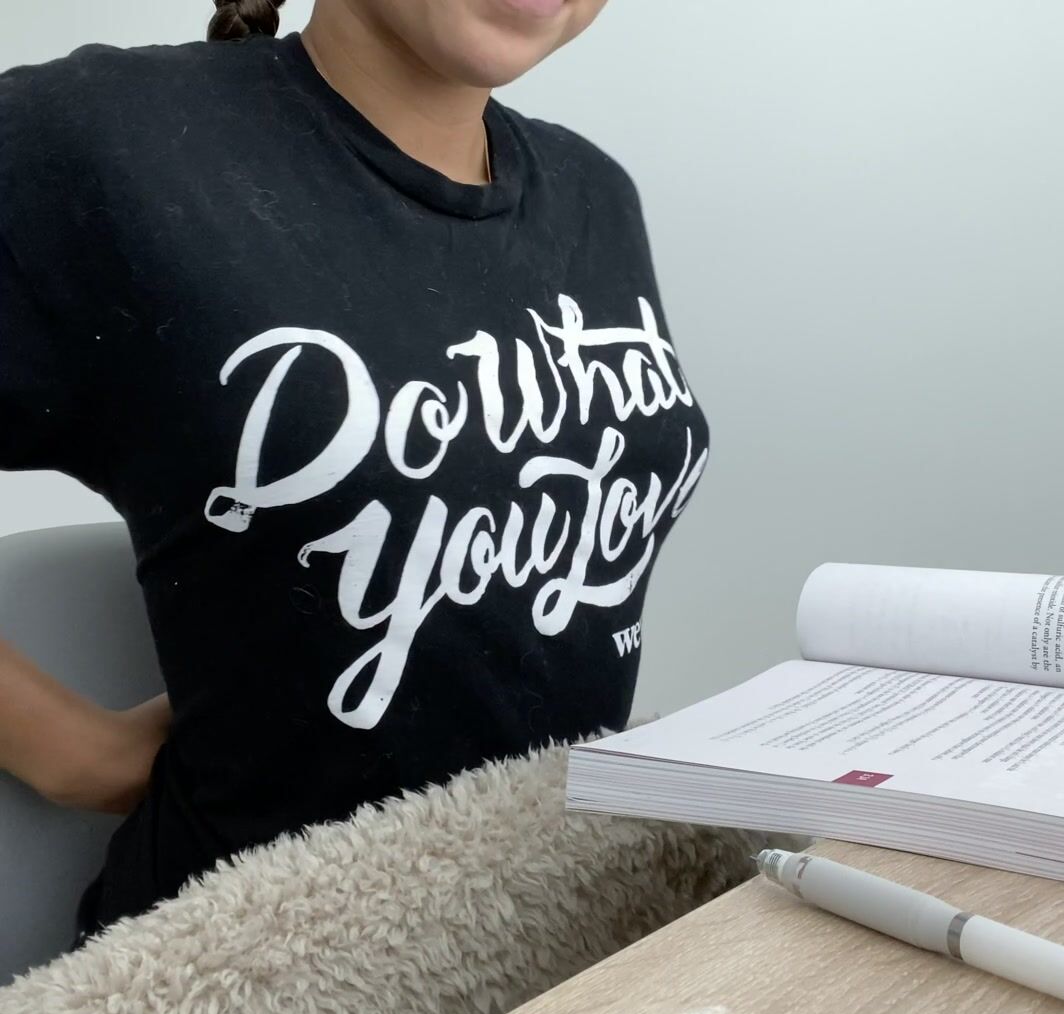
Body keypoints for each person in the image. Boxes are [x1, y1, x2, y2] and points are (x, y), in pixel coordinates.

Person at [0, 0, 711, 945]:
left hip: (563, 921)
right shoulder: (103, 143)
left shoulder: (595, 193)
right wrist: (75, 756)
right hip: (258, 974)